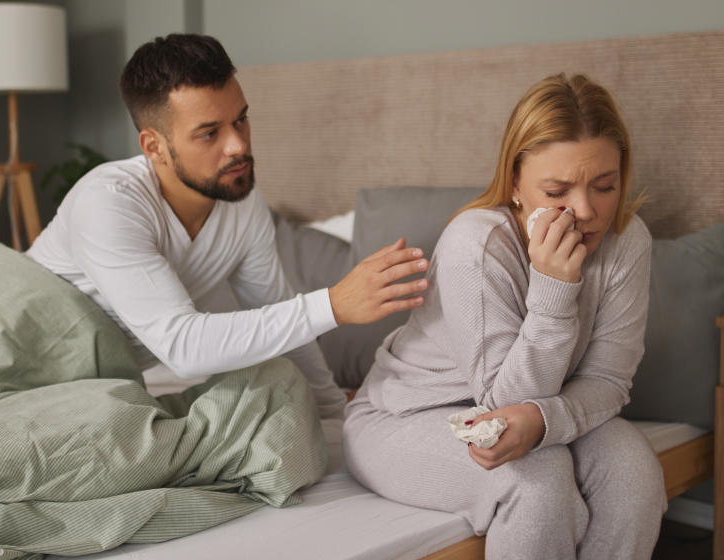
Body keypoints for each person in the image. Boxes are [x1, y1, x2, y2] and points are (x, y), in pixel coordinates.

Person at [342, 73, 665, 559]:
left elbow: (608, 380)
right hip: (406, 417)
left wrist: (542, 421)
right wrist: (554, 287)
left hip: (532, 407)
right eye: (557, 190)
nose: (585, 211)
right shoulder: (477, 245)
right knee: (537, 481)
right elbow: (502, 401)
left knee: (634, 469)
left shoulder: (627, 241)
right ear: (515, 184)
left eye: (605, 185)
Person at [27, 33, 429, 418]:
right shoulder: (109, 203)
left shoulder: (241, 203)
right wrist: (334, 304)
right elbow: (184, 348)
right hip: (1, 362)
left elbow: (275, 312)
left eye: (241, 120)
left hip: (84, 387)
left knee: (269, 393)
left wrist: (332, 409)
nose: (238, 145)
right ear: (154, 147)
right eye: (209, 133)